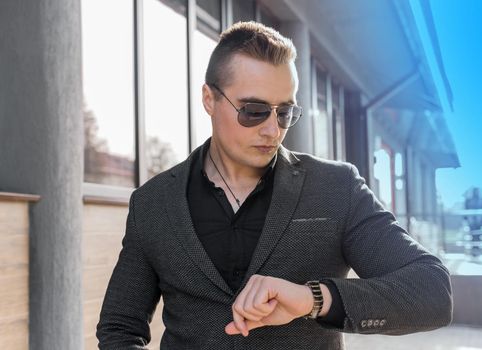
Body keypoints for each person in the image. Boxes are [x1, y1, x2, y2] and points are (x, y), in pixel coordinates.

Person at [97, 22, 452, 349]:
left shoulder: (335, 188)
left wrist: (314, 298)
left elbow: (432, 291)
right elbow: (119, 327)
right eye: (254, 110)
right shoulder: (153, 203)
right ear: (210, 99)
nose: (273, 130)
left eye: (285, 112)